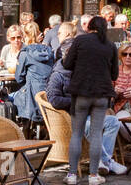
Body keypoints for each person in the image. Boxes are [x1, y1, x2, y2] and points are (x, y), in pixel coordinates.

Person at [46, 25, 126, 176]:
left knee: (113, 122)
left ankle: (103, 161)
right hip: (70, 118)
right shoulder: (58, 75)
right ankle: (106, 161)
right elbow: (54, 100)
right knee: (89, 126)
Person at [61, 15, 118, 185]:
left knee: (77, 134)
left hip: (81, 93)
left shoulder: (80, 41)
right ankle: (93, 176)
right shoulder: (110, 46)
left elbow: (67, 64)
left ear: (89, 27)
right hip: (101, 94)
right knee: (96, 135)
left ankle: (72, 175)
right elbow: (114, 74)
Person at [11, 23, 54, 123]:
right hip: (47, 95)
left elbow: (19, 78)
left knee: (9, 97)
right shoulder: (49, 51)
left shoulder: (25, 53)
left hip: (31, 97)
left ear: (24, 36)